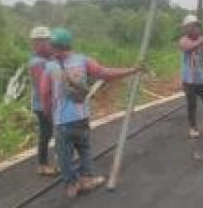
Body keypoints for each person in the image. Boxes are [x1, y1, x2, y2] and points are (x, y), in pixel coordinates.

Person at [40, 27, 143, 198]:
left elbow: (44, 93)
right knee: (84, 148)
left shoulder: (50, 67)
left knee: (64, 154)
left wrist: (47, 112)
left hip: (61, 121)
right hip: (81, 117)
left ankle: (72, 185)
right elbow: (105, 73)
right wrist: (131, 70)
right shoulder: (83, 61)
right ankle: (87, 179)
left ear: (54, 46)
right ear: (69, 44)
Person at [28, 26, 58, 176]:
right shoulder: (37, 63)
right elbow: (42, 89)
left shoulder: (47, 59)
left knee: (53, 131)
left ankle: (58, 159)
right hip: (43, 105)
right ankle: (43, 165)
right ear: (38, 44)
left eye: (50, 41)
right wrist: (49, 106)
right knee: (46, 133)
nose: (50, 45)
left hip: (50, 103)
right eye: (47, 42)